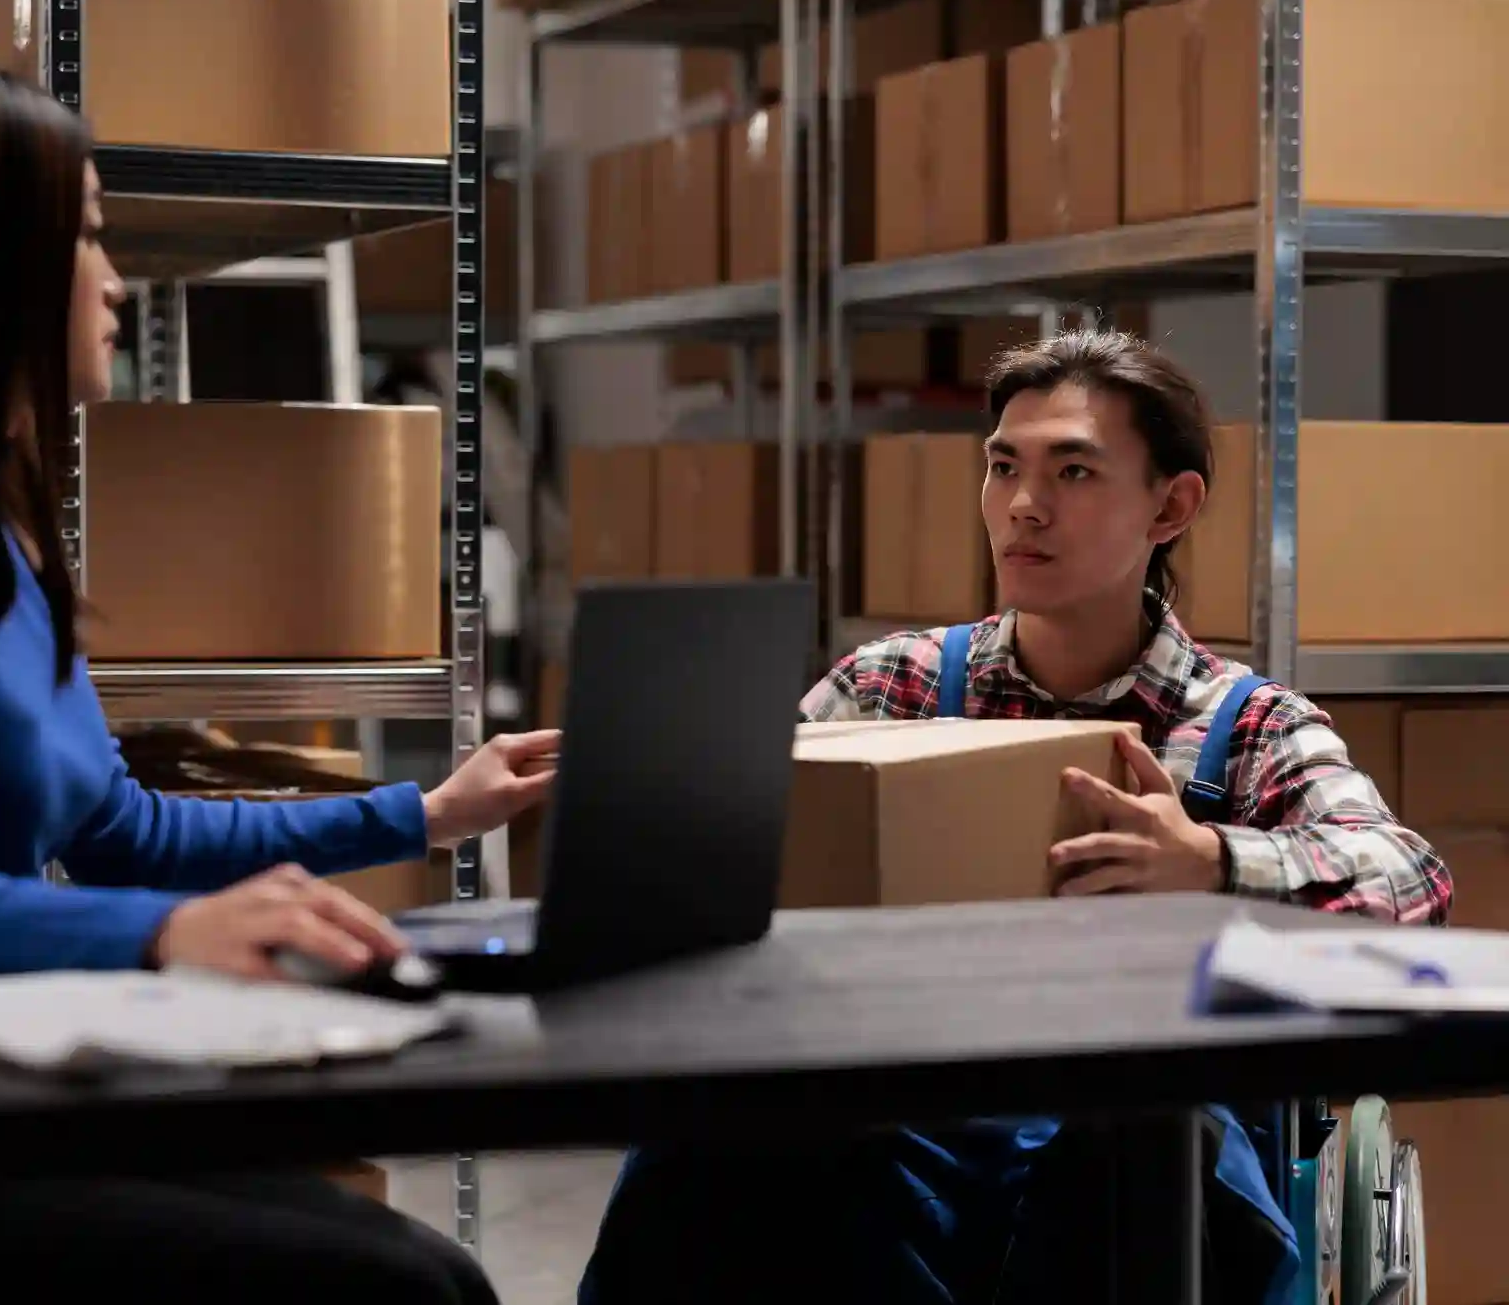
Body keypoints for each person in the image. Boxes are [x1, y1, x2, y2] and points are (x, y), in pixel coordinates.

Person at [0, 64, 540, 1303]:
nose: (113, 277)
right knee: (397, 1288)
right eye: (87, 232)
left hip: (1, 1087)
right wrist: (158, 932)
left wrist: (425, 812)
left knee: (426, 1268)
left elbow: (114, 826)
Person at [576, 329, 1452, 1305]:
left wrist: (1209, 861)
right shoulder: (891, 688)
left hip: (1138, 1150)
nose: (1022, 505)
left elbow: (1408, 880)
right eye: (1002, 467)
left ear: (1170, 505)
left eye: (1072, 469)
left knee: (1135, 1140)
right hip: (903, 1132)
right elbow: (734, 851)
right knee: (721, 1140)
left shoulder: (1238, 727)